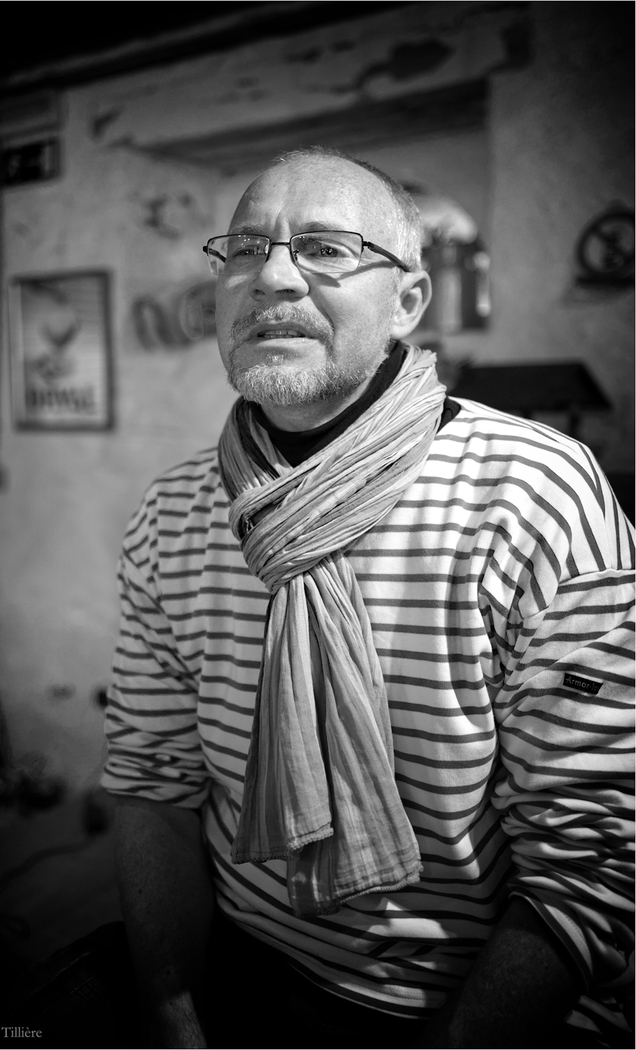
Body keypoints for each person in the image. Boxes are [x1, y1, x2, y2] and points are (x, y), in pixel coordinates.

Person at [102, 147, 634, 1049]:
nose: (271, 277)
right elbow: (153, 786)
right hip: (241, 972)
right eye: (242, 250)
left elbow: (598, 854)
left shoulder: (531, 491)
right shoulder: (173, 513)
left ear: (409, 303)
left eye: (326, 249)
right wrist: (175, 1015)